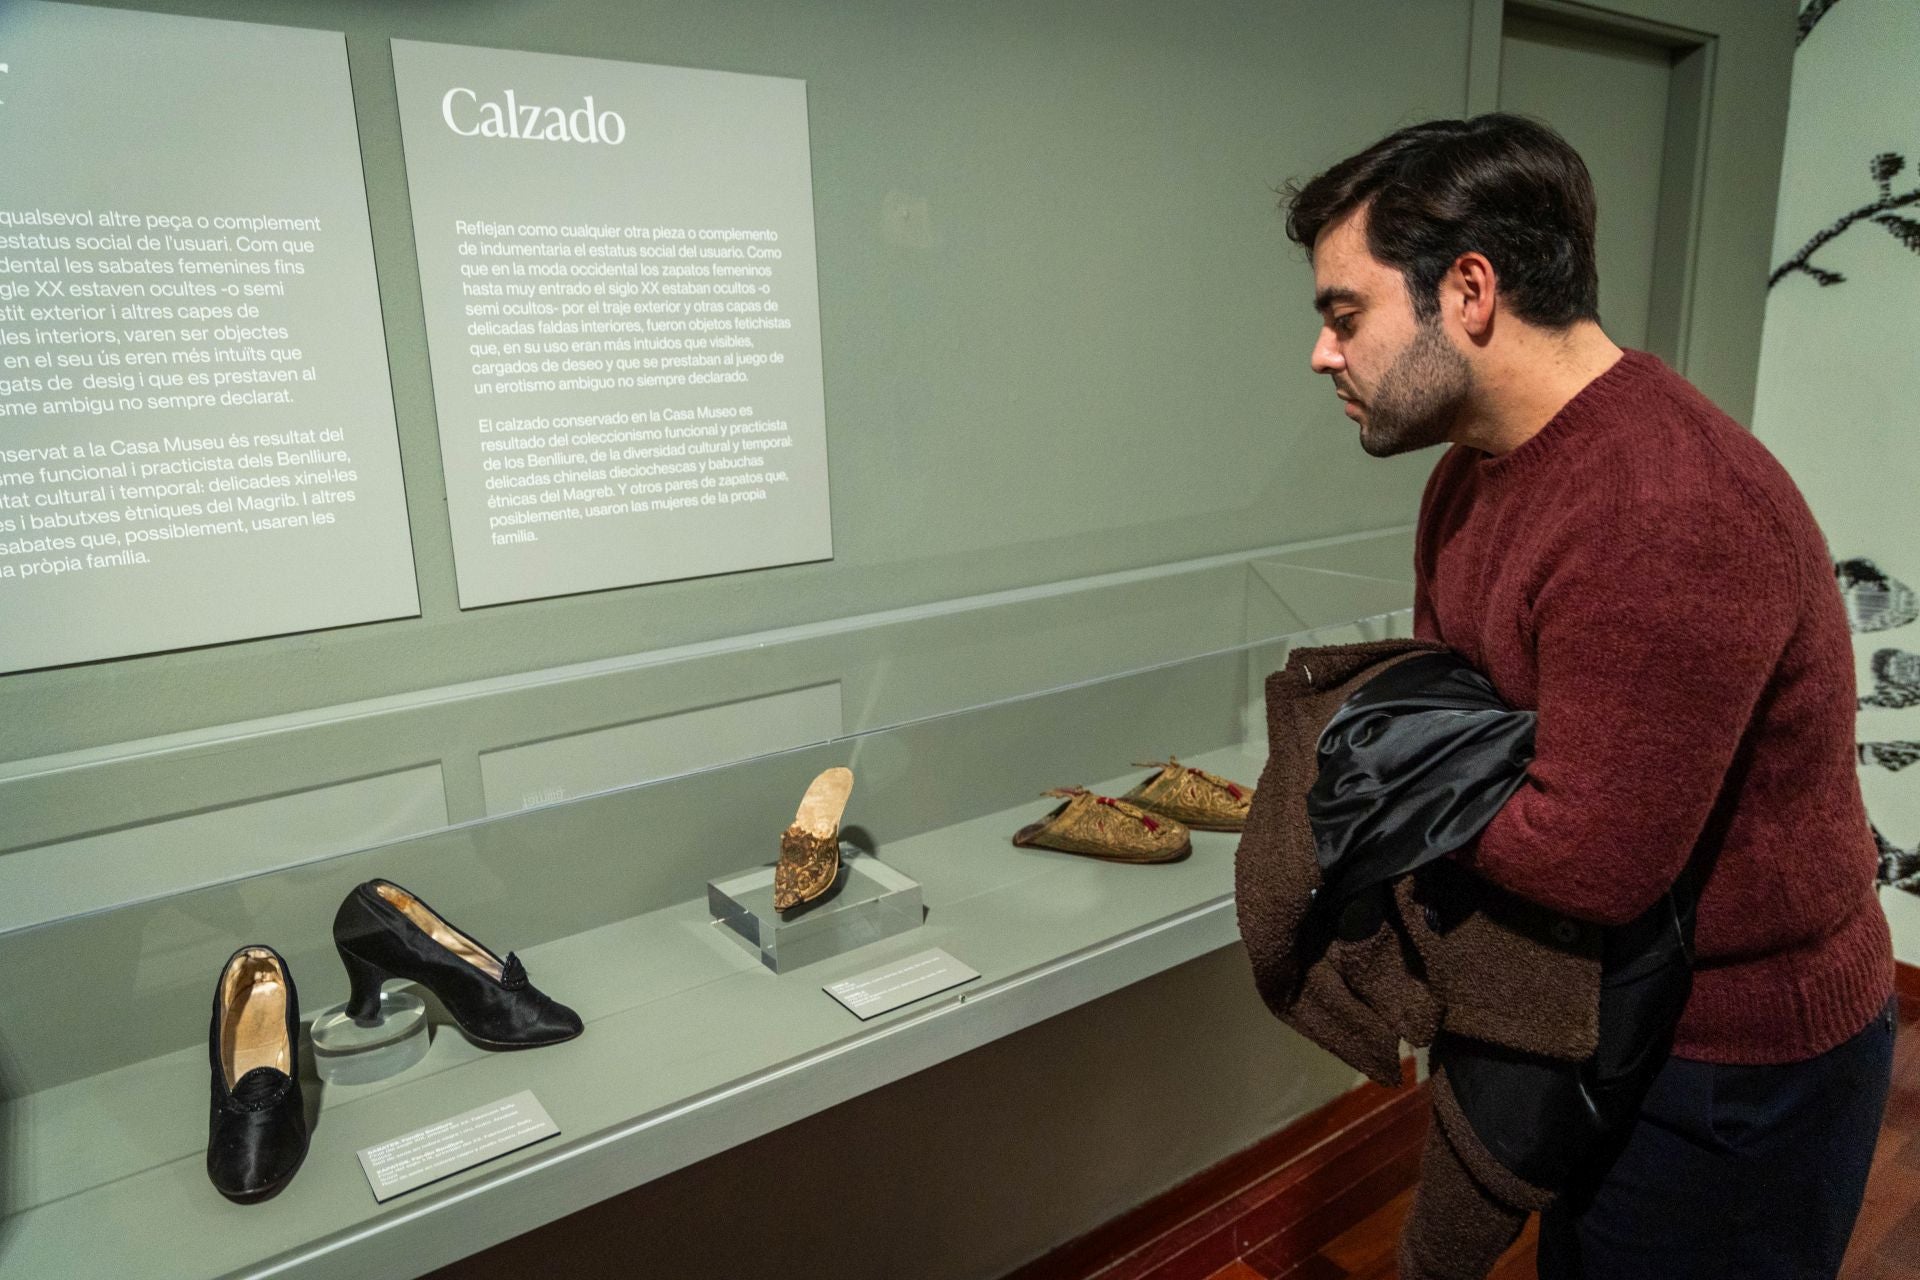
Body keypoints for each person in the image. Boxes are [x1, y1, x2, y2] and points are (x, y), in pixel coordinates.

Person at [1283, 113, 1897, 1279]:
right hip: (1602, 1017)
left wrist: (1386, 773)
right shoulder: (1471, 472)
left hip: (1731, 1066)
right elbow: (1449, 721)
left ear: (1468, 290)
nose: (1324, 353)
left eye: (1343, 312)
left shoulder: (1664, 508)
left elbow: (1588, 854)